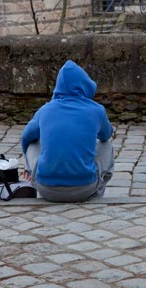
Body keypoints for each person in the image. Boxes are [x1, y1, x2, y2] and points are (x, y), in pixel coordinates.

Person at [21, 60, 114, 202]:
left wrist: (28, 166)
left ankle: (34, 175)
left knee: (33, 142)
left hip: (46, 190)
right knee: (106, 145)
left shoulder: (45, 110)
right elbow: (106, 135)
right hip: (85, 189)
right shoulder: (97, 110)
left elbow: (26, 137)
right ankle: (97, 191)